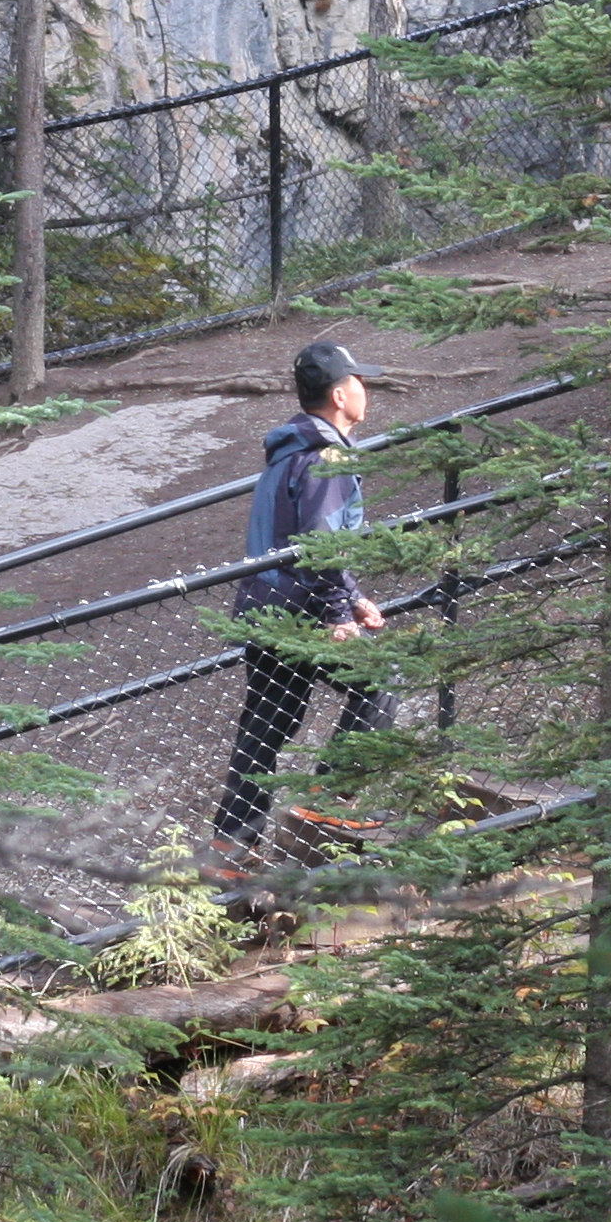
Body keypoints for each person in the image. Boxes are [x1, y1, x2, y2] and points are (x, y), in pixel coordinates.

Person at [210, 338, 398, 883]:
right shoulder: (329, 455)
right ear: (341, 395)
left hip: (263, 604)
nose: (366, 390)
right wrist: (338, 611)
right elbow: (320, 542)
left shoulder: (288, 453)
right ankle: (328, 797)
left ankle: (229, 850)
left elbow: (305, 538)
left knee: (268, 725)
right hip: (302, 609)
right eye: (360, 381)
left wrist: (355, 595)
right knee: (381, 680)